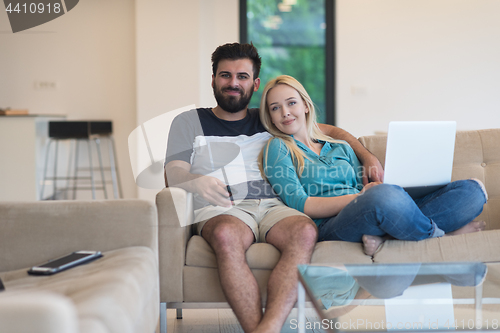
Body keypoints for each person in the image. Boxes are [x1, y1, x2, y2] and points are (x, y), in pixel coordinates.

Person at [164, 43, 384, 333]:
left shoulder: (269, 117)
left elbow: (327, 130)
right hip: (224, 205)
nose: (233, 83)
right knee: (226, 234)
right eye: (225, 75)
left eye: (242, 76)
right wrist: (196, 181)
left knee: (305, 231)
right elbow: (172, 173)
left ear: (254, 83)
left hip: (274, 204)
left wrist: (367, 155)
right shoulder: (189, 121)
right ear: (214, 79)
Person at [259, 75, 488, 256]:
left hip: (370, 209)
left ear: (306, 106)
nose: (285, 112)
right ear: (269, 116)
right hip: (332, 224)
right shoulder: (277, 147)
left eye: (291, 103)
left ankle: (387, 238)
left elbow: (366, 187)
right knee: (383, 198)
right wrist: (362, 197)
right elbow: (302, 204)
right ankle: (440, 235)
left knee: (472, 190)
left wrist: (381, 191)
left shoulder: (340, 146)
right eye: (275, 108)